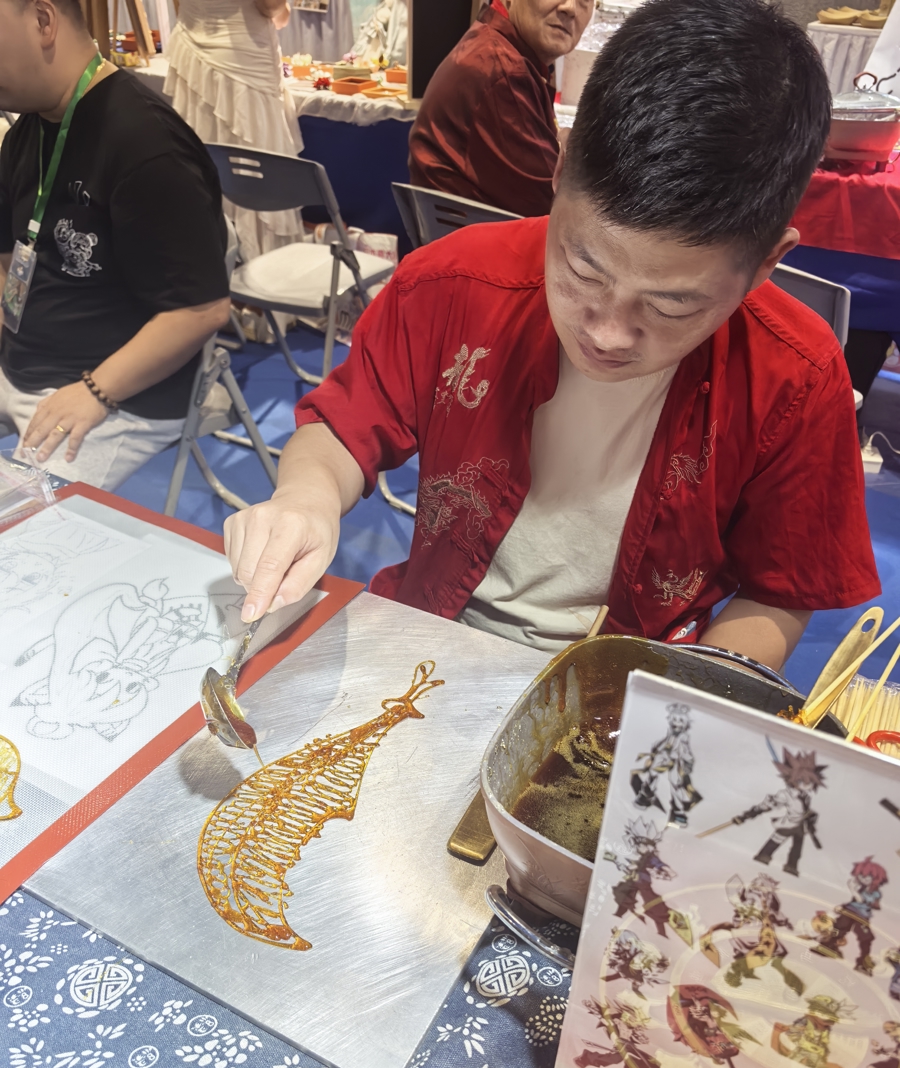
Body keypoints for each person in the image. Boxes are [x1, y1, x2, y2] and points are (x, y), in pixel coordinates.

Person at [224, 0, 880, 672]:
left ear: (766, 263)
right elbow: (342, 427)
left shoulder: (795, 375)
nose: (608, 333)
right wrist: (305, 501)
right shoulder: (452, 283)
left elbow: (780, 591)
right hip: (433, 637)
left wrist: (683, 701)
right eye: (583, 269)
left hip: (632, 677)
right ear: (559, 173)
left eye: (671, 304)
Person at [0, 0, 231, 489]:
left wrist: (95, 391)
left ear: (43, 21)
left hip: (114, 394)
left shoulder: (146, 143)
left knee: (21, 525)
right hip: (21, 362)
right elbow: (7, 257)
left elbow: (200, 310)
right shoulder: (25, 133)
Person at [407, 0, 593, 217]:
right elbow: (560, 207)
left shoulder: (504, 51)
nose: (570, 8)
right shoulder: (503, 71)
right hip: (469, 236)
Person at [165, 0, 304, 260]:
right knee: (253, 169)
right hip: (243, 59)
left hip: (192, 48)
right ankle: (260, 263)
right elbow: (271, 6)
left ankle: (211, 257)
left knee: (203, 158)